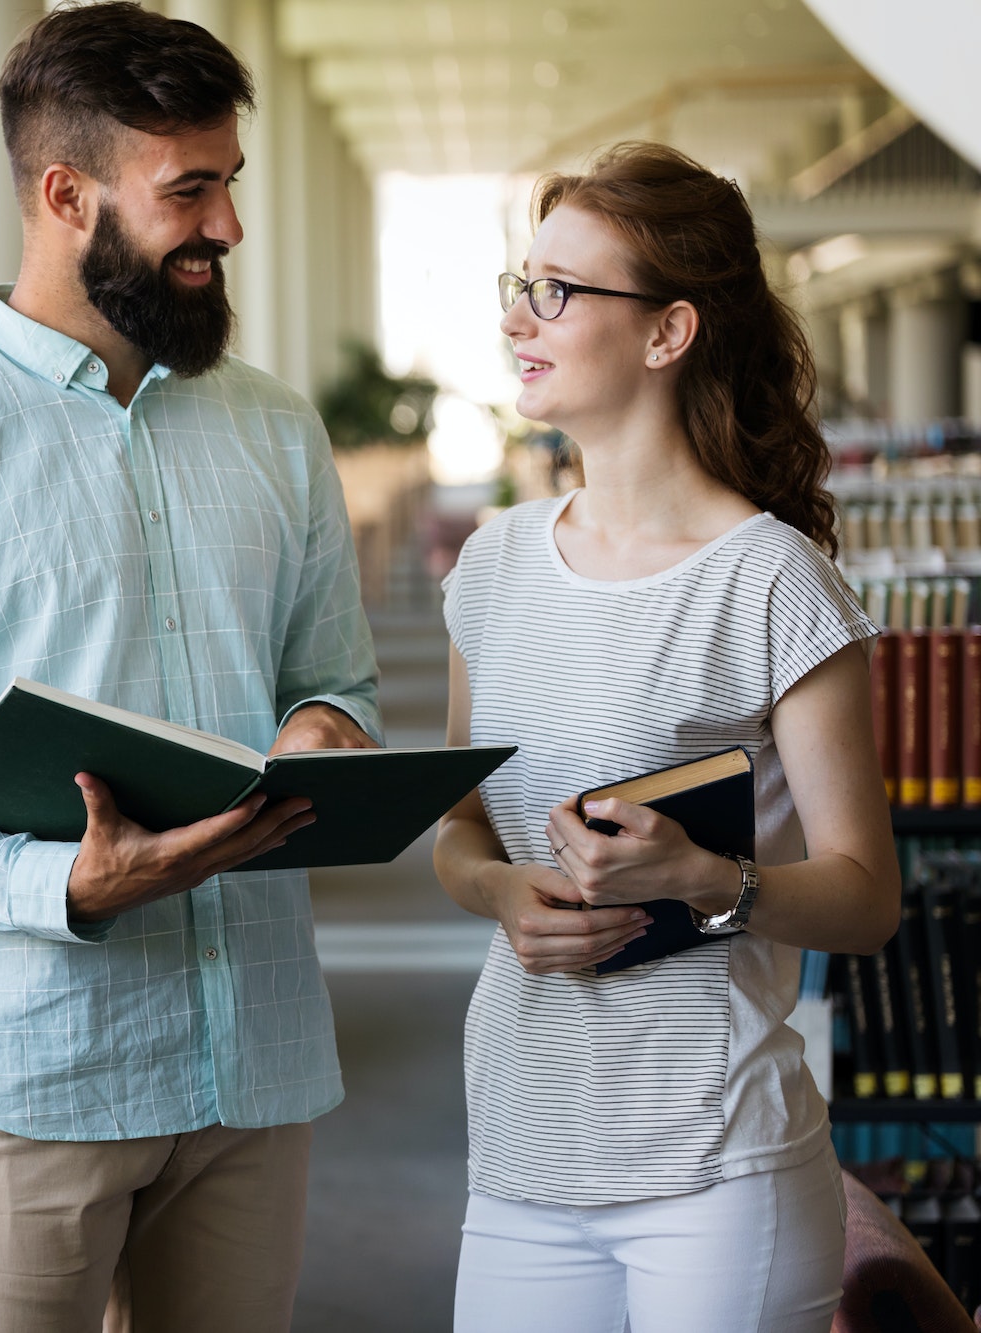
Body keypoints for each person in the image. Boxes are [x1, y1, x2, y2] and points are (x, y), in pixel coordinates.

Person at [0, 5, 380, 1329]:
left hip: (254, 1064)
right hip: (25, 1073)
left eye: (230, 182)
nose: (228, 226)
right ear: (67, 196)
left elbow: (336, 678)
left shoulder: (279, 432)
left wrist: (320, 729)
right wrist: (60, 882)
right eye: (190, 190)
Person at [433, 142, 899, 1332]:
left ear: (665, 332)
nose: (520, 320)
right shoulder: (491, 564)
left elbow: (865, 899)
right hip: (522, 1146)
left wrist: (707, 882)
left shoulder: (772, 581)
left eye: (558, 291)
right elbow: (459, 823)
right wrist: (498, 891)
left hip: (714, 1165)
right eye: (518, 286)